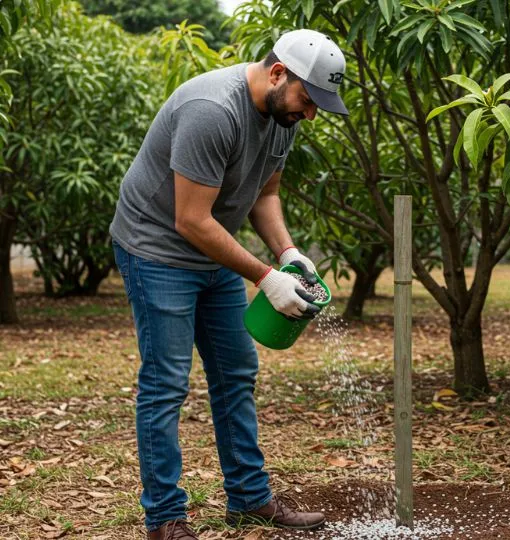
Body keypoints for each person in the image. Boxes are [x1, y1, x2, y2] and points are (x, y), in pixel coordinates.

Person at [109, 29, 349, 540]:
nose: (310, 114)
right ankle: (165, 520)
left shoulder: (283, 115)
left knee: (236, 371)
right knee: (167, 384)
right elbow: (190, 220)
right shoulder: (211, 109)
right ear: (279, 72)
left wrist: (287, 254)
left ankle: (248, 499)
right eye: (309, 100)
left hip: (213, 245)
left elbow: (266, 193)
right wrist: (264, 277)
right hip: (157, 250)